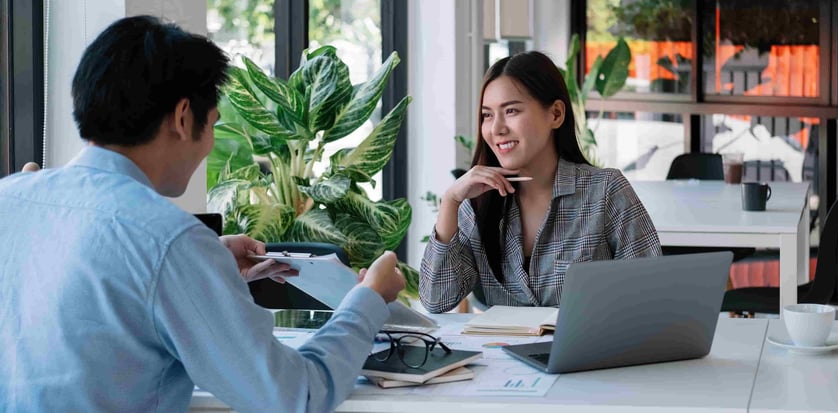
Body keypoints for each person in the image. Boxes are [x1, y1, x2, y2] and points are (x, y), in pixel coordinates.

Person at [0, 16, 405, 412]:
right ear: (182, 118)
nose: (210, 143)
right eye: (211, 123)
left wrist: (207, 266)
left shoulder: (9, 198)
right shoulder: (167, 239)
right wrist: (366, 301)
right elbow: (295, 395)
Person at [419, 51, 661, 313]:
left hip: (585, 352)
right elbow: (436, 300)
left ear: (555, 114)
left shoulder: (605, 191)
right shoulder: (479, 202)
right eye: (487, 115)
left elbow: (650, 294)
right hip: (501, 353)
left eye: (511, 111)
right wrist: (450, 202)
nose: (496, 128)